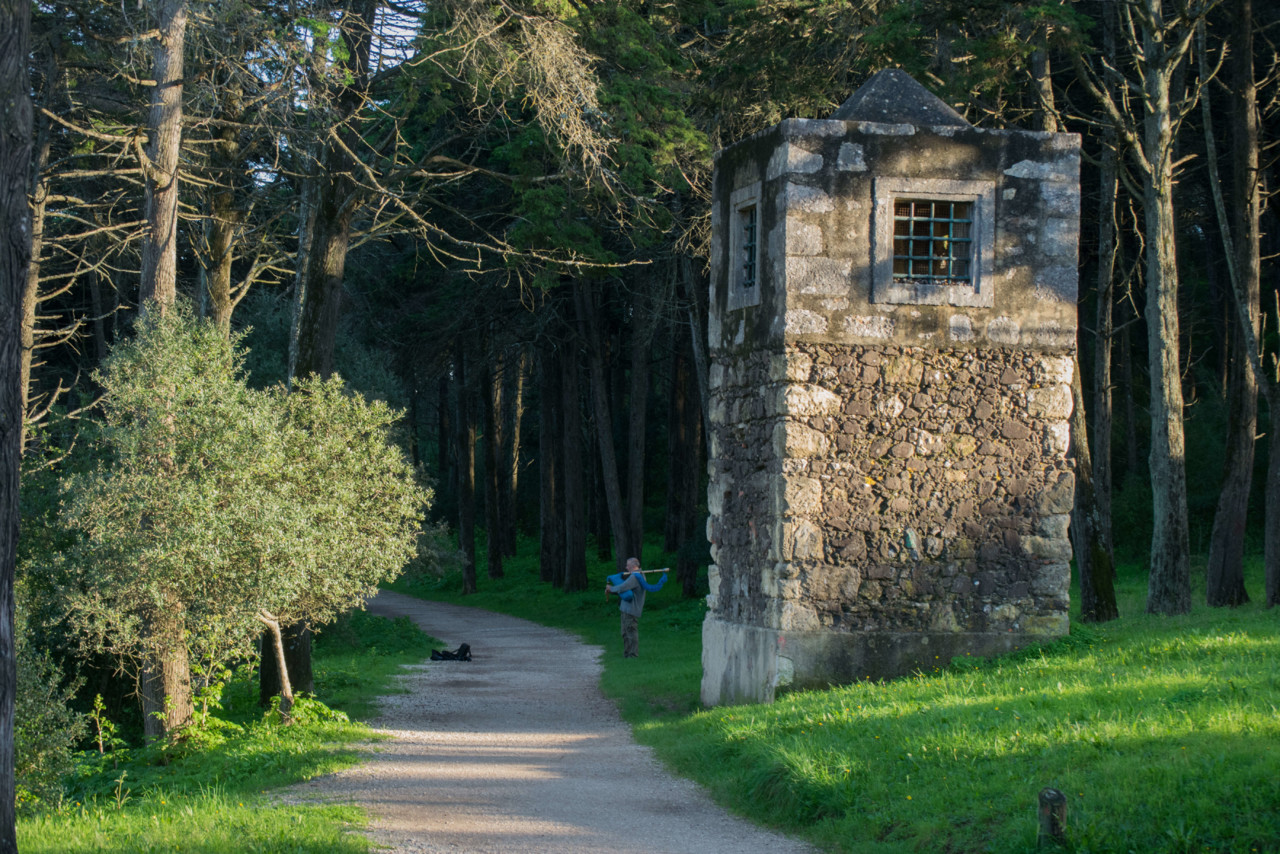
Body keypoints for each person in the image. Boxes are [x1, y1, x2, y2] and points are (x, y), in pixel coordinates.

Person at [604, 557, 667, 658]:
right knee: (625, 633)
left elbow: (623, 587)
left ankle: (633, 655)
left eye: (628, 565)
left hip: (631, 609)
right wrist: (612, 591)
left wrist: (611, 588)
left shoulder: (635, 577)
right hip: (626, 609)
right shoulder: (637, 575)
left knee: (631, 632)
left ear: (633, 566)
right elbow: (625, 591)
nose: (626, 567)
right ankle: (627, 654)